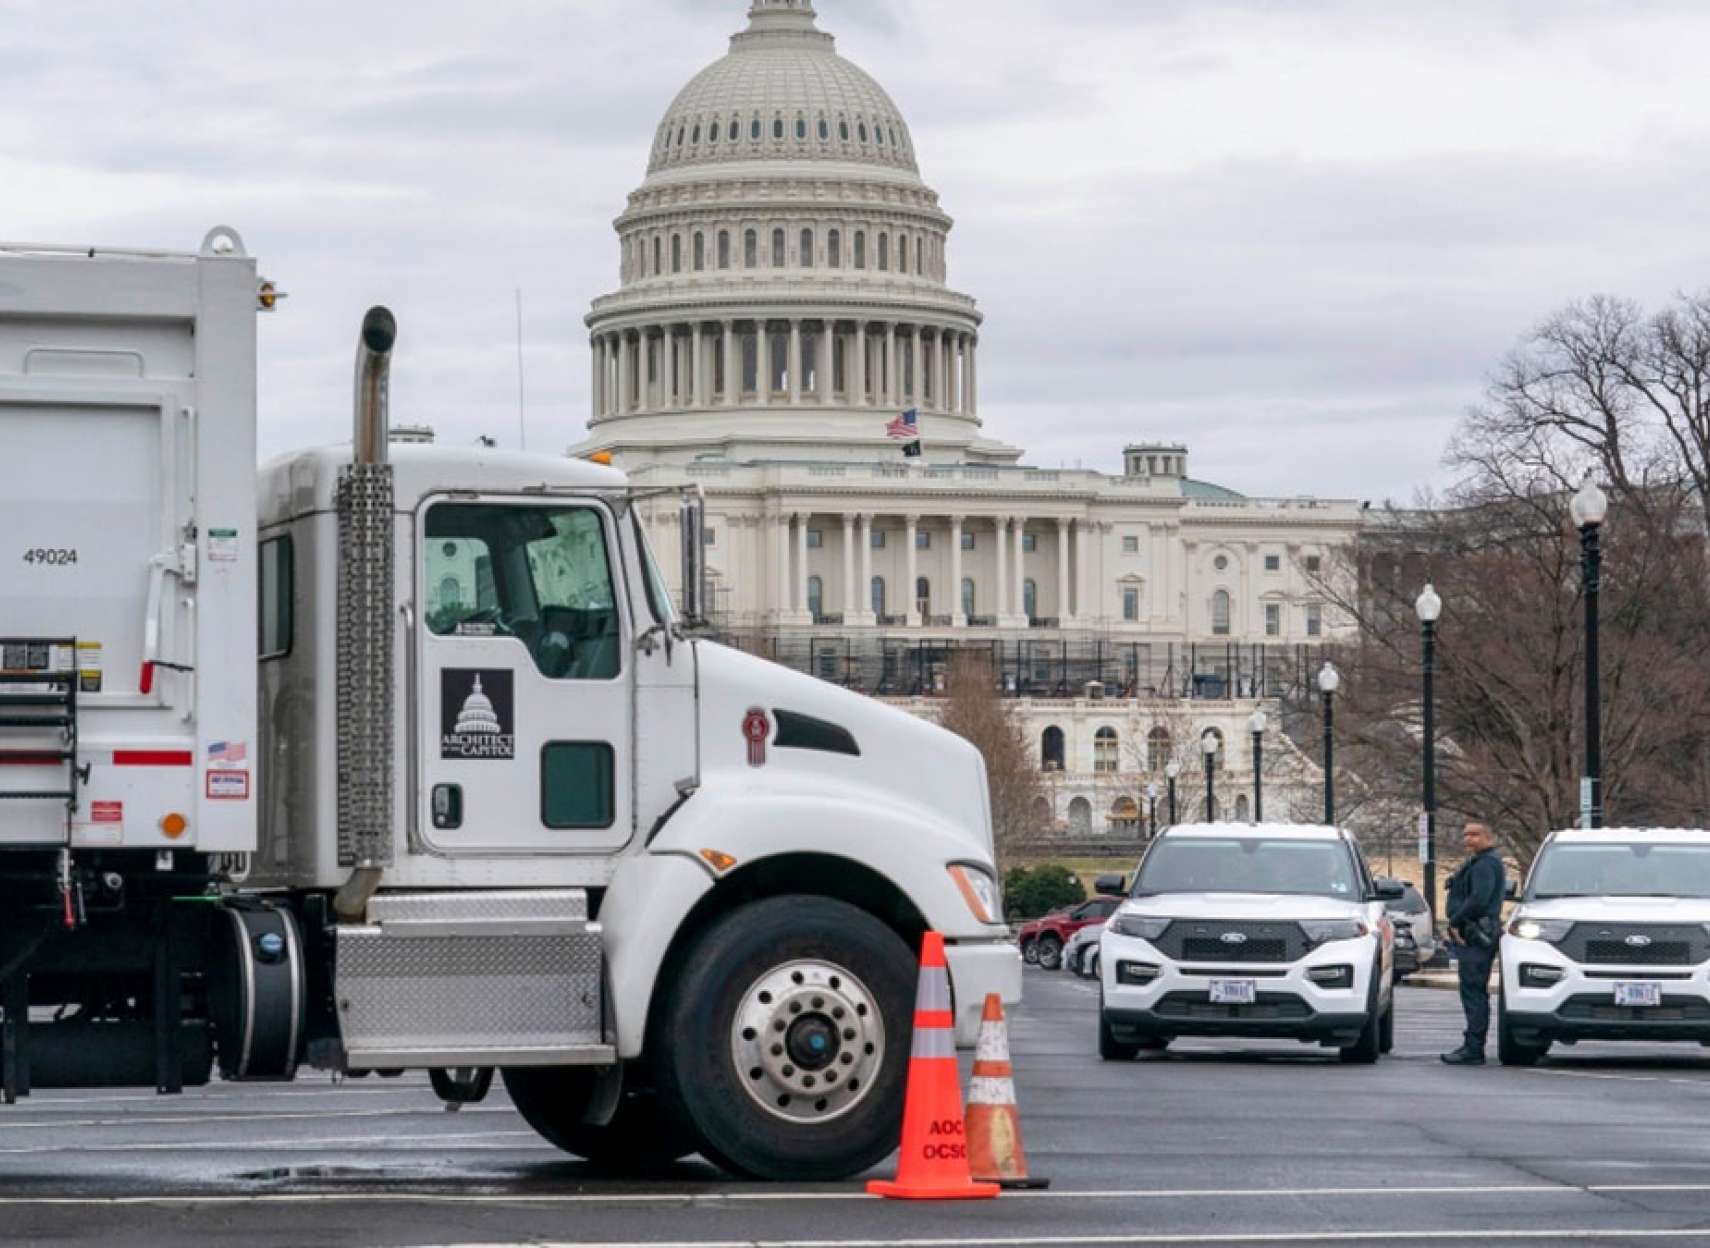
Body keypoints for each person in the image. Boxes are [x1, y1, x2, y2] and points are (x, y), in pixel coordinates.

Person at [1440, 822, 1507, 1065]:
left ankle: (1474, 1048)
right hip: (1472, 931)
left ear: (1488, 837)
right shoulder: (1478, 862)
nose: (1469, 838)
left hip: (1478, 933)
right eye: (1466, 834)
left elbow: (1479, 898)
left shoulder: (1486, 864)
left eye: (1475, 834)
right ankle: (1472, 1044)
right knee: (1471, 989)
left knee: (1474, 990)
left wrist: (1456, 921)